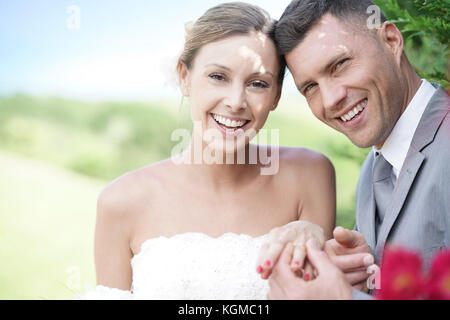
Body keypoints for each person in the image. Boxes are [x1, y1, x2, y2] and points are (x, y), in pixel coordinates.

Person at [80, 2, 336, 300]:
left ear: (276, 95)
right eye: (218, 77)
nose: (236, 101)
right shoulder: (120, 201)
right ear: (184, 76)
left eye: (257, 83)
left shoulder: (309, 175)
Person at [262, 0, 450, 300]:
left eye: (339, 65)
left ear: (390, 40)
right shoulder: (371, 171)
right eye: (310, 87)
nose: (330, 99)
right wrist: (362, 278)